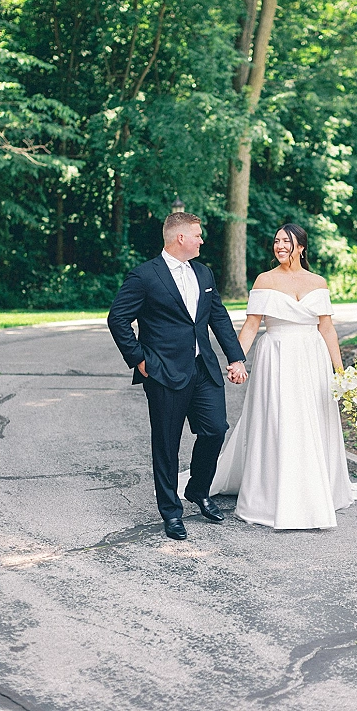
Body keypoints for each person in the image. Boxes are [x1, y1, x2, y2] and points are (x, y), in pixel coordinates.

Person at [210, 223, 357, 529]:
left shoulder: (317, 282)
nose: (280, 246)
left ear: (301, 247)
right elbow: (252, 325)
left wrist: (340, 372)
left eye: (286, 241)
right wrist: (237, 360)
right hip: (276, 356)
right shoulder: (265, 280)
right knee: (279, 418)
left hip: (311, 356)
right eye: (277, 240)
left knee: (312, 418)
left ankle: (316, 488)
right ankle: (271, 494)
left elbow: (327, 328)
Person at [107, 213, 248, 541]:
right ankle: (171, 512)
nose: (202, 240)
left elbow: (218, 317)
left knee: (215, 430)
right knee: (167, 445)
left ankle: (198, 490)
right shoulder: (144, 275)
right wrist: (140, 360)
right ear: (179, 238)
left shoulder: (204, 272)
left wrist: (236, 356)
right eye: (197, 235)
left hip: (203, 369)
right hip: (163, 372)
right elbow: (118, 318)